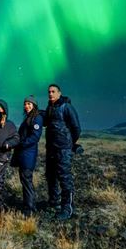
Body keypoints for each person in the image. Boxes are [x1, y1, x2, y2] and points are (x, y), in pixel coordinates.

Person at [44, 83, 81, 220]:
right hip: (51, 149)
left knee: (65, 178)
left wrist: (69, 143)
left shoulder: (66, 107)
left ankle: (67, 208)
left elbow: (76, 128)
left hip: (63, 149)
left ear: (59, 93)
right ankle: (54, 201)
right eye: (49, 92)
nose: (50, 94)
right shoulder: (50, 108)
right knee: (51, 175)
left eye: (53, 91)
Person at [11, 95, 43, 215]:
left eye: (29, 104)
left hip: (28, 155)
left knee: (26, 180)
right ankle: (28, 205)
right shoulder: (29, 118)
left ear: (34, 105)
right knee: (25, 180)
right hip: (24, 154)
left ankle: (29, 208)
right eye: (25, 104)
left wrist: (21, 143)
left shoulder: (37, 118)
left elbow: (35, 137)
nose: (26, 106)